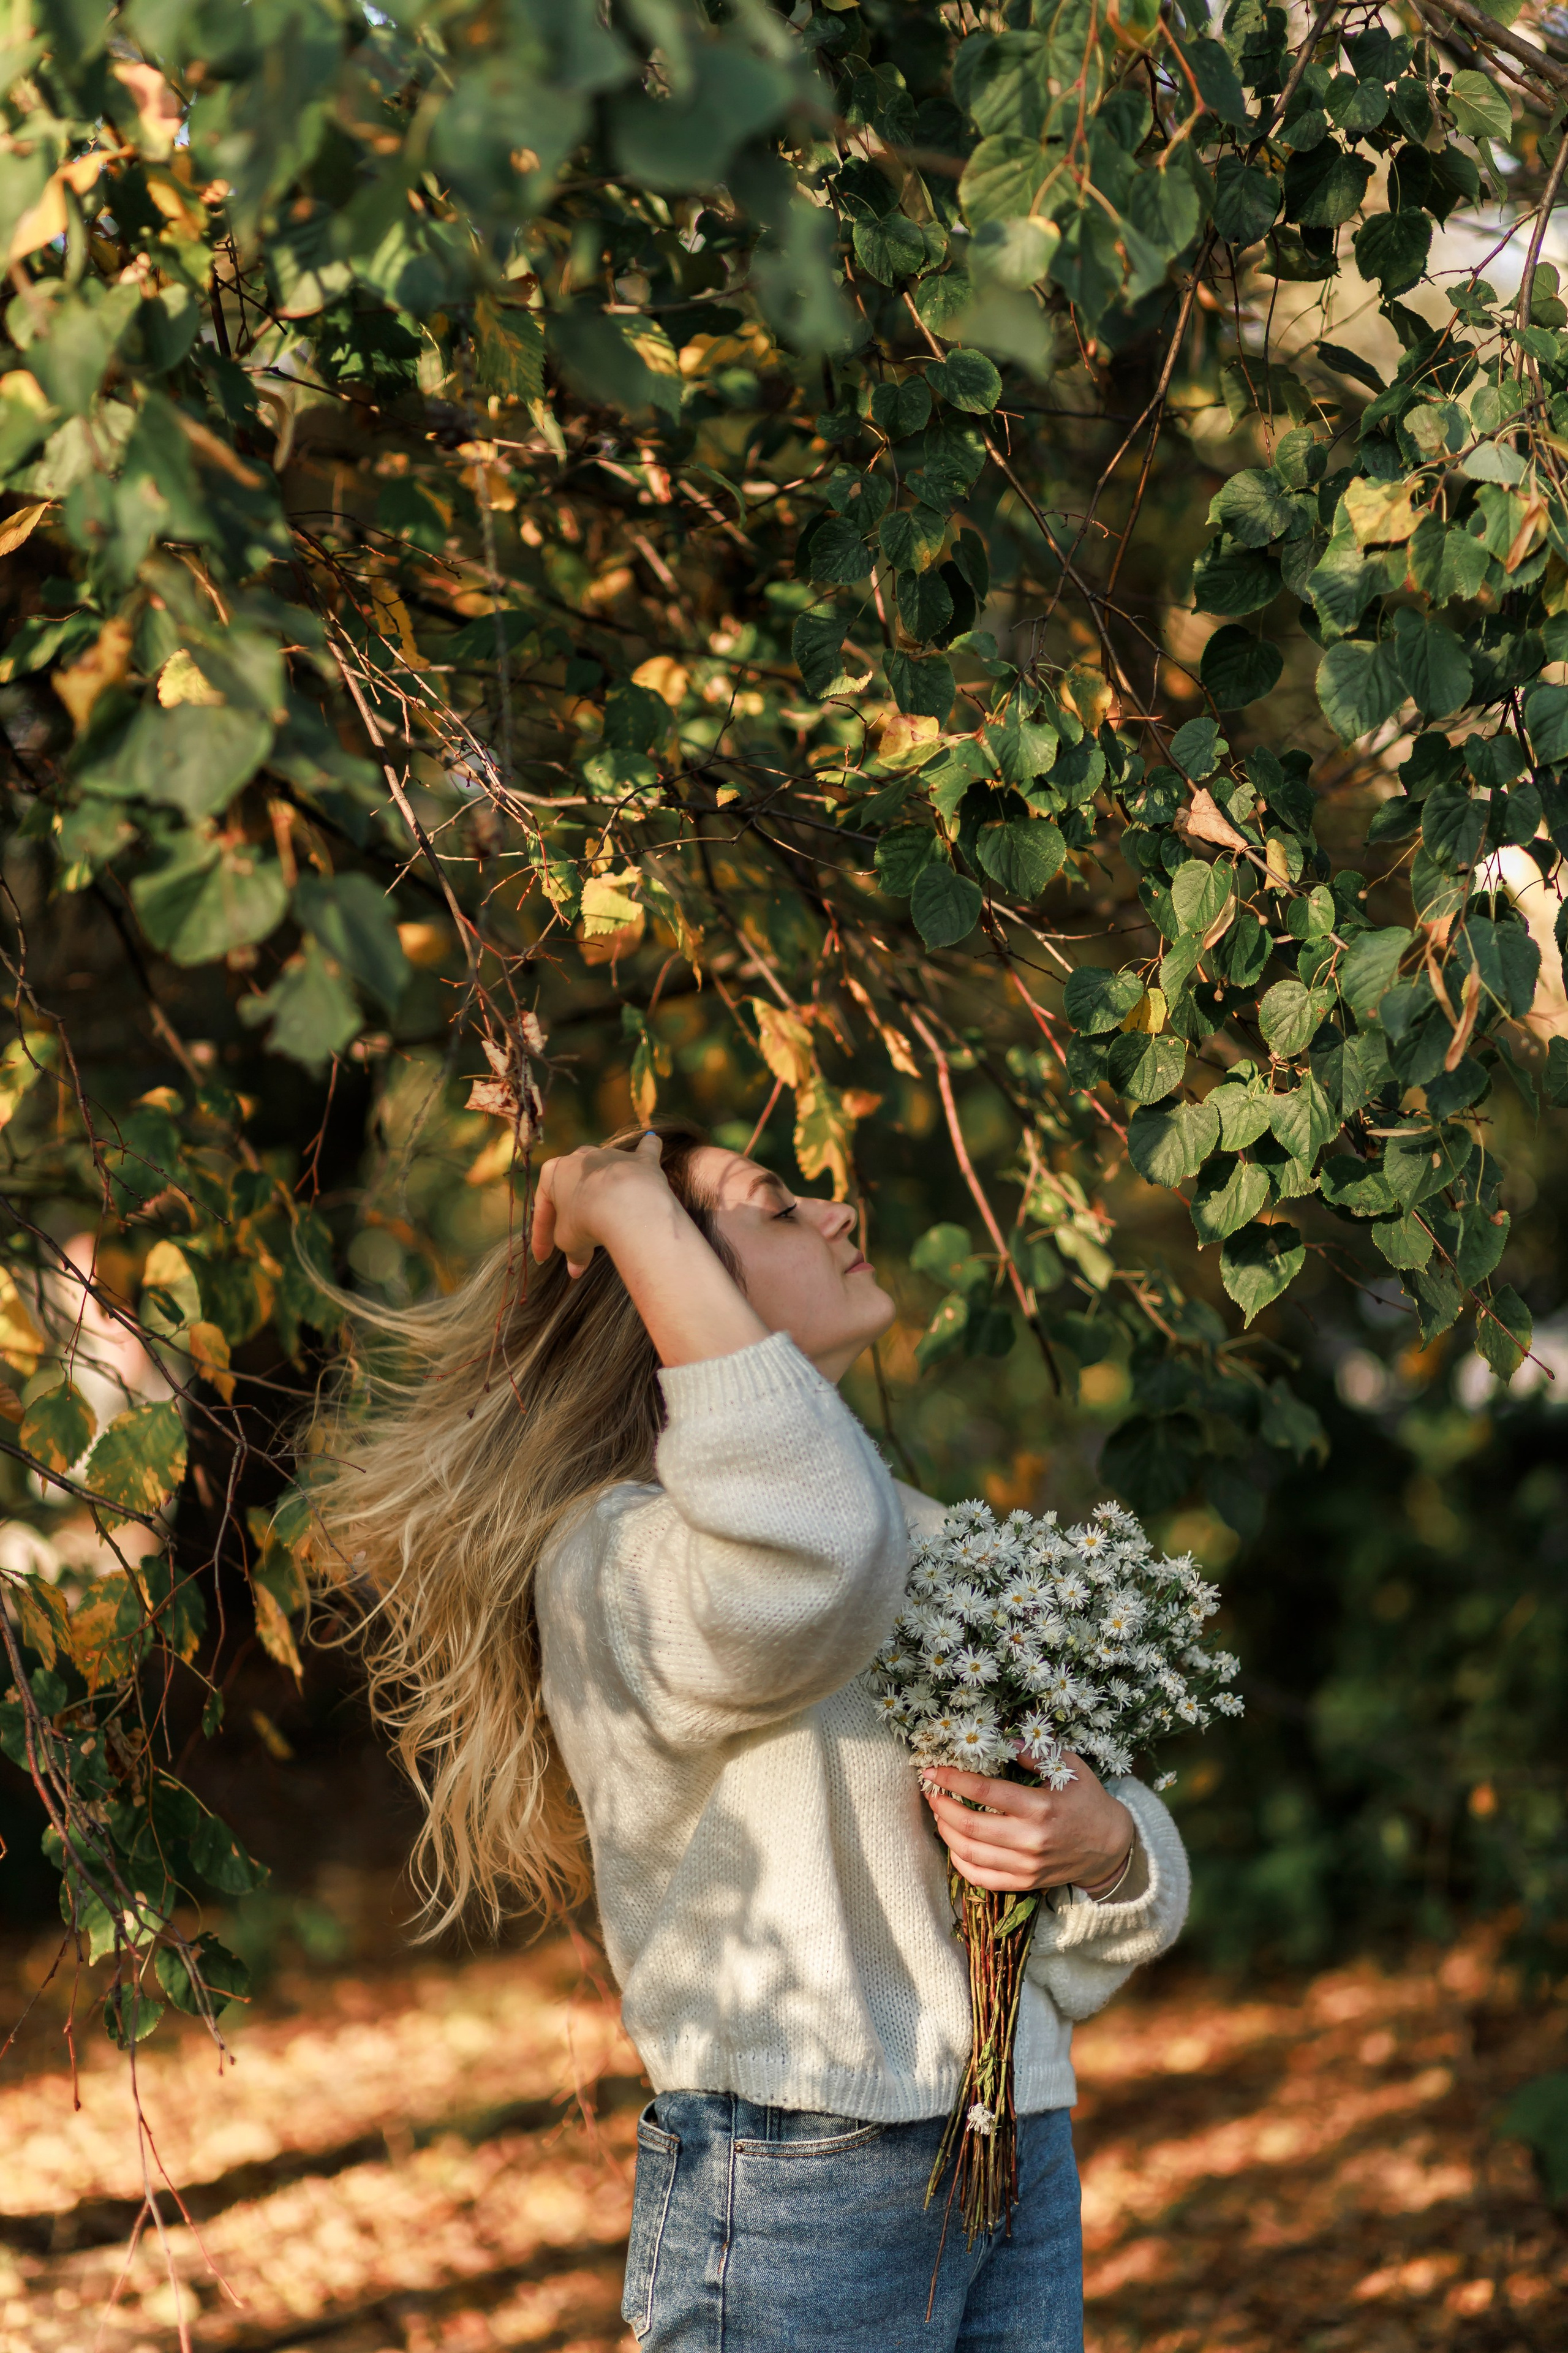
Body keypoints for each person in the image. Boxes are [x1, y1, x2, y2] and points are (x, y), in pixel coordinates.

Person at [312, 1119, 1189, 2352]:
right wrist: (624, 1198)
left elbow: (1090, 1917)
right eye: (776, 1207)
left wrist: (1102, 1847)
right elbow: (815, 1546)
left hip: (1013, 2139)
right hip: (797, 2162)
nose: (840, 1213)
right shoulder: (617, 1560)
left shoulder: (928, 1533)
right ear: (668, 1279)